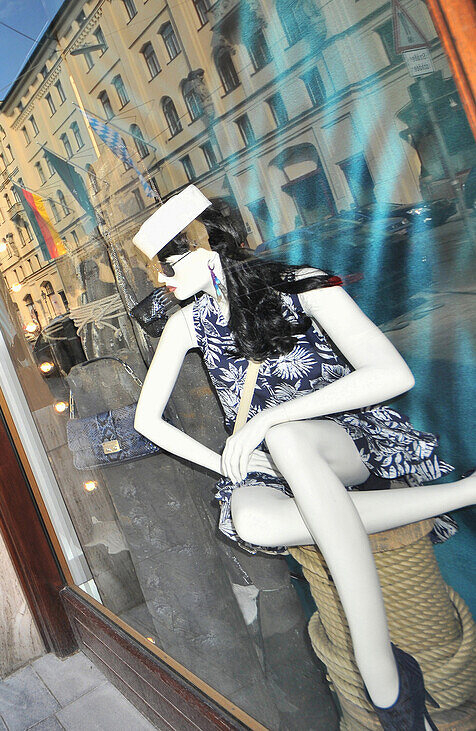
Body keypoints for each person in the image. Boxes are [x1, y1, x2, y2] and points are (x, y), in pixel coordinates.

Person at [132, 185, 476, 731]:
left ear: (204, 248)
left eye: (168, 263)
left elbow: (392, 375)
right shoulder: (187, 323)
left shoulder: (299, 284)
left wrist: (270, 420)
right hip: (268, 463)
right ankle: (459, 493)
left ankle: (383, 678)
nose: (161, 280)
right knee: (251, 518)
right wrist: (226, 464)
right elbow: (144, 421)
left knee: (290, 437)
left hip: (342, 440)